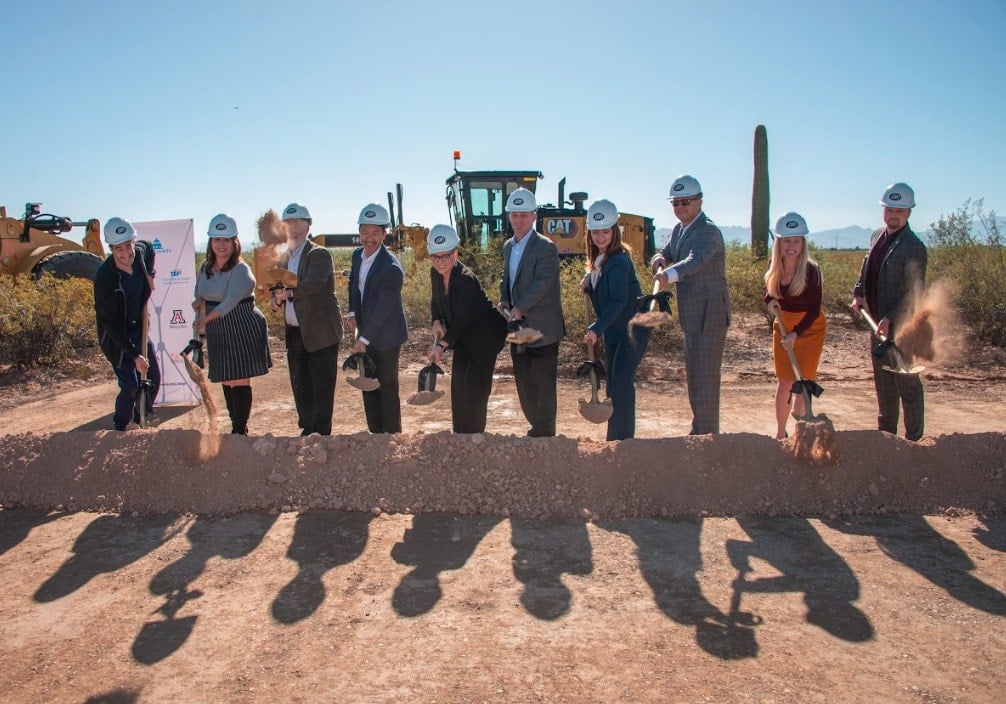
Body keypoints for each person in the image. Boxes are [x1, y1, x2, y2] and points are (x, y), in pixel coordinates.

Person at [651, 175, 731, 435]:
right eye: (675, 202)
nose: (680, 207)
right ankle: (700, 432)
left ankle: (707, 439)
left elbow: (695, 261)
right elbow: (667, 251)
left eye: (685, 201)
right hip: (692, 316)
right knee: (695, 378)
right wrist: (659, 259)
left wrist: (667, 275)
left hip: (710, 315)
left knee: (706, 379)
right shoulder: (680, 230)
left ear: (699, 201)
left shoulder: (708, 231)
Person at [852, 182, 927, 441]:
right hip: (877, 327)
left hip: (902, 330)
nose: (893, 215)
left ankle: (914, 443)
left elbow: (914, 294)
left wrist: (890, 318)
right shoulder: (876, 237)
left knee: (907, 386)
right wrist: (858, 293)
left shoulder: (914, 247)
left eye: (900, 211)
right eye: (889, 210)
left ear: (909, 213)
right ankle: (887, 443)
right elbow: (867, 268)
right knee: (884, 388)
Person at [193, 214, 272, 435]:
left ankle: (239, 429)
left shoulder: (240, 270)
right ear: (211, 242)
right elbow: (200, 290)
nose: (221, 245)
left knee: (238, 379)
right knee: (226, 378)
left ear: (234, 242)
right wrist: (198, 301)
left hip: (241, 325)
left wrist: (203, 321)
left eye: (226, 240)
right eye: (217, 240)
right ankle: (235, 425)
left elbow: (228, 303)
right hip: (219, 328)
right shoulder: (206, 267)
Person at [580, 199, 652, 441]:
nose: (600, 236)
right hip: (615, 332)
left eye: (605, 231)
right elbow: (603, 289)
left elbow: (619, 301)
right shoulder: (600, 260)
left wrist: (595, 329)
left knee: (620, 384)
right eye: (596, 232)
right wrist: (588, 283)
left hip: (632, 331)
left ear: (615, 231)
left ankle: (623, 442)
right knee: (613, 384)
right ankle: (616, 438)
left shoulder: (619, 260)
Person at [270, 202, 343, 436]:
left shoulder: (318, 254)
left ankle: (322, 434)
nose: (293, 228)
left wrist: (289, 293)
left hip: (320, 332)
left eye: (298, 223)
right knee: (300, 384)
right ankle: (307, 429)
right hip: (295, 332)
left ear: (308, 226)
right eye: (288, 224)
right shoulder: (283, 257)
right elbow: (277, 286)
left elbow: (313, 283)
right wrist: (275, 298)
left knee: (321, 386)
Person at [426, 224, 507, 433]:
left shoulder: (466, 280)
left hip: (485, 337)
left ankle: (475, 438)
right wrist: (436, 321)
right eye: (436, 257)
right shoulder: (435, 274)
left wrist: (441, 346)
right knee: (459, 386)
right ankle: (460, 435)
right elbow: (436, 301)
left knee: (476, 388)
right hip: (462, 336)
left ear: (456, 254)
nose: (441, 262)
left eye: (446, 256)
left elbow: (462, 318)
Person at [498, 187, 565, 437]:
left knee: (543, 381)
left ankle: (545, 432)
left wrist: (519, 307)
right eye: (514, 215)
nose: (518, 220)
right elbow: (507, 279)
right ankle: (535, 425)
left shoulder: (545, 247)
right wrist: (504, 300)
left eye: (523, 215)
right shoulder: (508, 247)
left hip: (542, 327)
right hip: (518, 325)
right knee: (524, 378)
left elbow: (542, 283)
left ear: (534, 216)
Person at [93, 217, 161, 431]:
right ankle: (121, 426)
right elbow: (110, 325)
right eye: (118, 249)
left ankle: (140, 420)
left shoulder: (139, 253)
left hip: (137, 328)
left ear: (133, 242)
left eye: (128, 246)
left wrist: (150, 275)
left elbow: (149, 248)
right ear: (110, 248)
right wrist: (134, 355)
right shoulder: (105, 277)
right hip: (116, 337)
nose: (125, 254)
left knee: (153, 378)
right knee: (130, 385)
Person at [763, 212, 826, 439]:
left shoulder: (812, 270)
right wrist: (770, 302)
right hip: (783, 326)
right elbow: (767, 290)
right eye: (787, 241)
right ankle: (781, 433)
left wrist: (797, 333)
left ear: (803, 243)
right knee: (785, 381)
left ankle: (802, 433)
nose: (792, 246)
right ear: (779, 243)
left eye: (797, 241)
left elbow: (814, 309)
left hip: (809, 329)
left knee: (804, 381)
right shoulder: (774, 265)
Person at [347, 203, 408, 433]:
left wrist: (363, 340)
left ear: (384, 234)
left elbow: (384, 309)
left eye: (375, 233)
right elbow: (354, 285)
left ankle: (392, 435)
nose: (369, 238)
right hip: (365, 331)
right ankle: (375, 433)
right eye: (365, 232)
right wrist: (352, 312)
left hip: (387, 336)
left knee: (387, 384)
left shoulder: (391, 268)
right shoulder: (357, 257)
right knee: (367, 382)